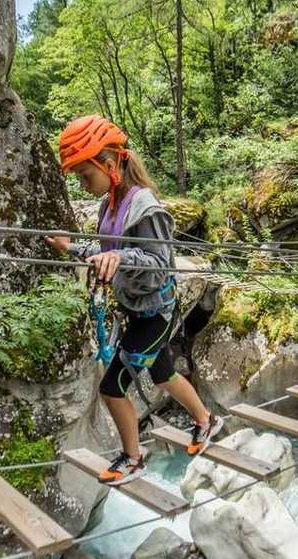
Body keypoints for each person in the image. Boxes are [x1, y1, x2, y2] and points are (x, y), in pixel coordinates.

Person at [46, 114, 223, 485]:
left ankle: (133, 458)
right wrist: (71, 246)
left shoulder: (146, 206)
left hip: (155, 311)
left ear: (109, 165)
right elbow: (105, 251)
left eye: (85, 174)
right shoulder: (109, 203)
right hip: (136, 307)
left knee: (112, 388)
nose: (82, 183)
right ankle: (206, 421)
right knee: (163, 374)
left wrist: (120, 258)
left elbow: (160, 263)